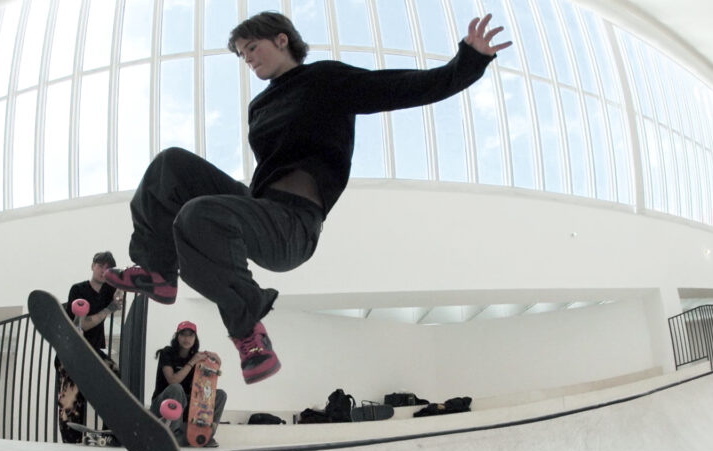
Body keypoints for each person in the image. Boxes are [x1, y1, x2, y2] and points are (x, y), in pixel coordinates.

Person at [105, 12, 512, 385]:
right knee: (170, 165)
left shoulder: (326, 80)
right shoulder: (259, 106)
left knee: (198, 216)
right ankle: (159, 272)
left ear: (282, 40)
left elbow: (403, 88)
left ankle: (249, 335)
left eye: (252, 47)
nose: (247, 59)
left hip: (293, 227)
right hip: (261, 210)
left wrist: (468, 62)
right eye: (241, 55)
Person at [55, 250, 124, 443]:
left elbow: (121, 295)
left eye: (108, 268)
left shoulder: (109, 291)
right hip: (71, 352)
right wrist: (109, 309)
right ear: (92, 266)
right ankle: (71, 442)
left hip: (92, 353)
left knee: (114, 373)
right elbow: (82, 325)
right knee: (70, 400)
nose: (104, 270)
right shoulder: (78, 290)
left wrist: (120, 285)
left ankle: (110, 431)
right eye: (100, 266)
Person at [150, 321, 227, 447]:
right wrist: (192, 362)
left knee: (220, 394)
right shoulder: (167, 353)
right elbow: (172, 380)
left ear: (195, 338)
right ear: (177, 337)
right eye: (183, 335)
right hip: (164, 405)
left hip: (186, 407)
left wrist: (218, 362)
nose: (187, 339)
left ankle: (206, 435)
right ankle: (173, 434)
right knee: (176, 388)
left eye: (190, 335)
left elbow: (208, 383)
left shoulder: (196, 357)